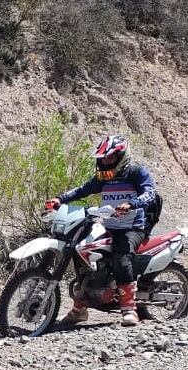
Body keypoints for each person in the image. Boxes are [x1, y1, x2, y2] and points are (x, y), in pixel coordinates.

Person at [46, 134, 157, 327]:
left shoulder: (136, 172)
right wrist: (60, 199)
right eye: (103, 158)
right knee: (82, 257)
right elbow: (83, 189)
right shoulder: (104, 177)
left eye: (110, 158)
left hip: (132, 227)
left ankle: (129, 309)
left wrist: (132, 204)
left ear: (121, 156)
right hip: (107, 225)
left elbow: (150, 194)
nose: (106, 161)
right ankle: (80, 309)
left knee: (121, 259)